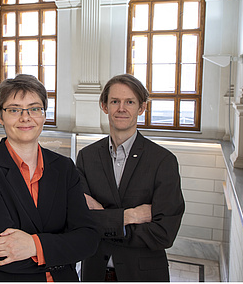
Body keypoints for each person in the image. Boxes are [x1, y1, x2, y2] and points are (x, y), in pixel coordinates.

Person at [0, 74, 100, 282]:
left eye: (34, 108)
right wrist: (60, 248)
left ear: (44, 115)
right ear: (1, 116)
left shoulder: (64, 168)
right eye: (14, 110)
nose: (25, 117)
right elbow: (2, 254)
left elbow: (88, 240)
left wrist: (33, 246)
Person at [77, 74, 185, 282]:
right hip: (95, 273)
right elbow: (80, 220)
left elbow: (164, 232)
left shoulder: (163, 161)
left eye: (130, 102)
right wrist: (130, 216)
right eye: (115, 101)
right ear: (104, 106)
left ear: (142, 108)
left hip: (142, 275)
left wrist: (105, 221)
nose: (121, 108)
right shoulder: (87, 157)